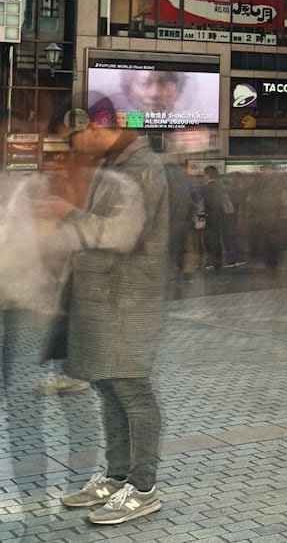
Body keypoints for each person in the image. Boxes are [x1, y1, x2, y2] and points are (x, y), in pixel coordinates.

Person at [45, 103, 170, 525]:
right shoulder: (113, 168)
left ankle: (144, 487)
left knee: (133, 390)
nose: (74, 146)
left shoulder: (142, 168)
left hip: (128, 297)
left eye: (74, 137)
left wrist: (69, 214)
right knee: (108, 386)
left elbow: (122, 234)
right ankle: (118, 477)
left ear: (97, 128)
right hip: (103, 295)